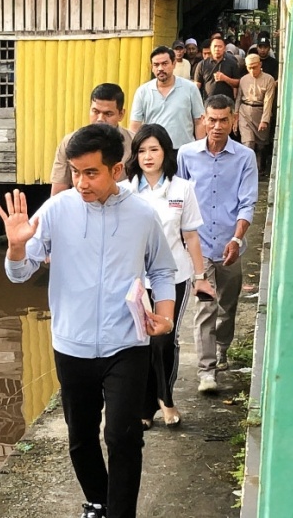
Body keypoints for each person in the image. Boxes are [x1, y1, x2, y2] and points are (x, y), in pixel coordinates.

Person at [0, 123, 177, 518]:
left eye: (91, 172)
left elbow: (162, 271)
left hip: (127, 343)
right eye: (76, 172)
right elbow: (20, 273)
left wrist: (165, 317)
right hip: (72, 344)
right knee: (81, 437)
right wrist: (16, 246)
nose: (80, 182)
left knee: (122, 435)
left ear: (116, 170)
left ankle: (120, 513)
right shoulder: (57, 211)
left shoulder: (142, 215)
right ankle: (98, 499)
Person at [122, 124, 216, 428]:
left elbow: (192, 237)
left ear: (165, 152)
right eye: (142, 151)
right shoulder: (124, 191)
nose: (148, 156)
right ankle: (146, 407)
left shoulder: (182, 189)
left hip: (174, 275)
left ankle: (167, 400)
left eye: (154, 149)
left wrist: (200, 275)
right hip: (136, 280)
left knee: (164, 339)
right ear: (135, 156)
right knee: (141, 342)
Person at [176, 94, 258, 393]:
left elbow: (248, 202)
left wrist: (237, 238)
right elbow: (179, 199)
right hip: (199, 245)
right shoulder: (186, 155)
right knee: (205, 307)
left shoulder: (244, 157)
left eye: (224, 120)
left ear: (234, 120)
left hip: (230, 243)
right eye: (212, 120)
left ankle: (223, 347)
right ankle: (206, 371)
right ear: (204, 120)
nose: (218, 126)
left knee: (228, 304)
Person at [51, 83, 133, 195]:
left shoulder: (135, 143)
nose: (100, 119)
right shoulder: (70, 142)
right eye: (95, 112)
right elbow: (58, 192)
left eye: (108, 114)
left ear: (121, 114)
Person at [130, 46, 206, 148]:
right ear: (152, 67)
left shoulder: (190, 88)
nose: (160, 68)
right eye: (156, 65)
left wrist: (200, 150)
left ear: (174, 64)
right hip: (154, 152)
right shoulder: (143, 92)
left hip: (183, 151)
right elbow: (135, 126)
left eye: (165, 64)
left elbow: (199, 122)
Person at [235, 54, 277, 173]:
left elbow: (268, 101)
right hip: (245, 112)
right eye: (249, 68)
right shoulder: (243, 79)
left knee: (260, 146)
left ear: (260, 65)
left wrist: (265, 120)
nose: (252, 70)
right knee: (248, 143)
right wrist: (236, 116)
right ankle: (246, 171)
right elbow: (238, 98)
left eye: (254, 67)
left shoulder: (269, 79)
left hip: (261, 112)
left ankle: (259, 170)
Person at [194, 37, 242, 101]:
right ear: (211, 48)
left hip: (227, 102)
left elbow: (237, 83)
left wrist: (225, 78)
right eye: (215, 46)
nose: (217, 49)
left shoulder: (232, 63)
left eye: (220, 46)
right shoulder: (202, 64)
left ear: (224, 48)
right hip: (208, 102)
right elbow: (197, 85)